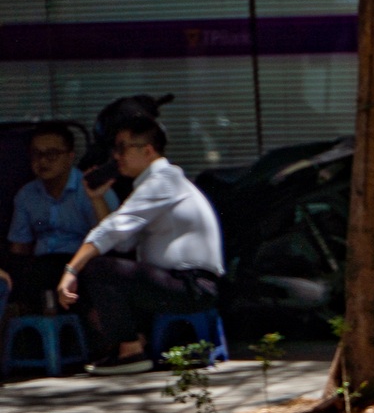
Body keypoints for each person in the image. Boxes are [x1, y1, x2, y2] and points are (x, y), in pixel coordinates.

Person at [57, 117, 224, 375]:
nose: (116, 157)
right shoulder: (154, 184)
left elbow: (113, 229)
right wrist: (98, 199)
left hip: (192, 285)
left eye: (122, 148)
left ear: (147, 151)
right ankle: (132, 342)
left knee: (98, 268)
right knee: (106, 267)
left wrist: (71, 270)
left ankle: (130, 351)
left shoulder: (163, 181)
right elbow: (124, 242)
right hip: (181, 283)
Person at [5, 124, 117, 310]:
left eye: (52, 154)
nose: (43, 161)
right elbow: (19, 246)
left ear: (70, 156)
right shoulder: (26, 195)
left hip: (81, 265)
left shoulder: (92, 189)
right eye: (36, 154)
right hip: (40, 266)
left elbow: (110, 238)